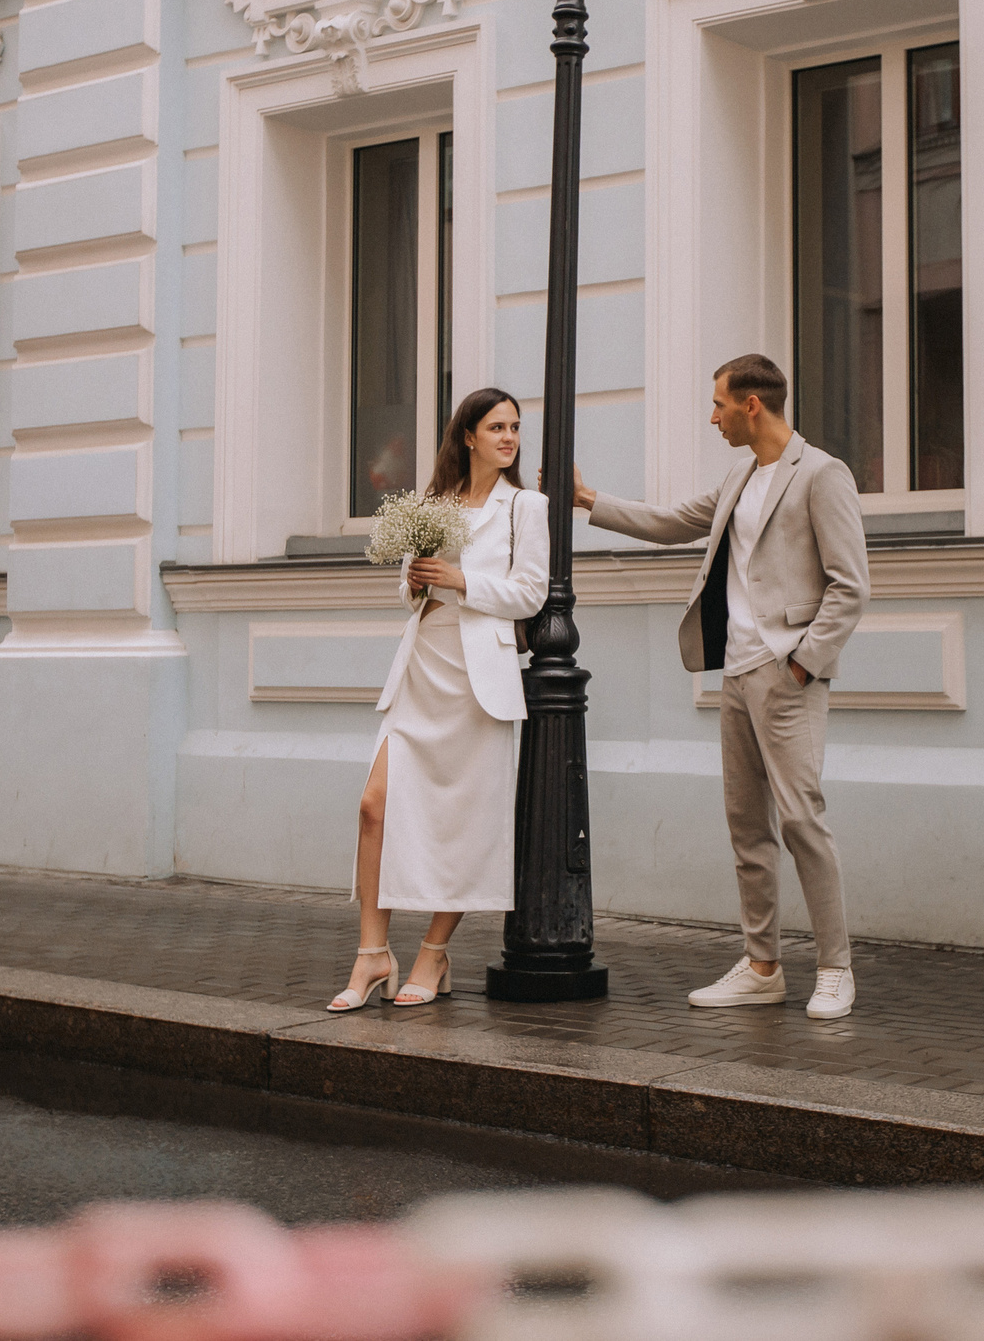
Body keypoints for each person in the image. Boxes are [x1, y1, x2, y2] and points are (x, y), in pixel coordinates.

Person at [573, 354, 869, 1020]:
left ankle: (835, 967)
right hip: (736, 673)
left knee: (801, 820)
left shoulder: (821, 474)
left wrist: (802, 662)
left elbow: (851, 585)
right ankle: (762, 966)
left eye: (718, 405)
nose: (713, 417)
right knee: (746, 827)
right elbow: (672, 522)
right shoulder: (740, 475)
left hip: (786, 672)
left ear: (751, 406)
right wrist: (589, 501)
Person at [329, 389, 548, 1011]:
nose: (509, 437)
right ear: (469, 436)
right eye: (496, 427)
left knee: (463, 822)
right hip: (425, 662)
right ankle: (373, 952)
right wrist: (417, 576)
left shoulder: (524, 507)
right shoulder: (433, 503)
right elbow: (409, 589)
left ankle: (433, 952)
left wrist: (461, 579)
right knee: (376, 804)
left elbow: (531, 593)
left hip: (480, 677)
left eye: (514, 427)